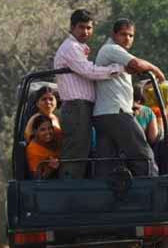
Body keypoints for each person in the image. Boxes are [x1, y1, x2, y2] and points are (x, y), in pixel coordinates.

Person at [52, 9, 124, 178]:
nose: (85, 32)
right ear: (72, 27)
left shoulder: (79, 48)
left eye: (89, 28)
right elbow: (89, 71)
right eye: (81, 27)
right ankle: (68, 189)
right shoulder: (70, 47)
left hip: (83, 107)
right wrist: (117, 69)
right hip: (76, 107)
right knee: (75, 152)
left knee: (84, 150)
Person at [92, 18, 163, 178]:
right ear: (114, 34)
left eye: (131, 35)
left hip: (103, 114)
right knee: (143, 155)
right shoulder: (111, 49)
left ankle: (105, 193)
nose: (127, 39)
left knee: (107, 162)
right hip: (116, 112)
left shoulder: (115, 53)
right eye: (123, 34)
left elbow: (132, 67)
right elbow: (137, 64)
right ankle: (153, 188)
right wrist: (157, 70)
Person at [25, 114, 61, 179]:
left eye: (50, 128)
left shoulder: (57, 136)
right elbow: (38, 178)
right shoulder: (33, 150)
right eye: (42, 130)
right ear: (35, 132)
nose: (48, 132)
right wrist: (50, 168)